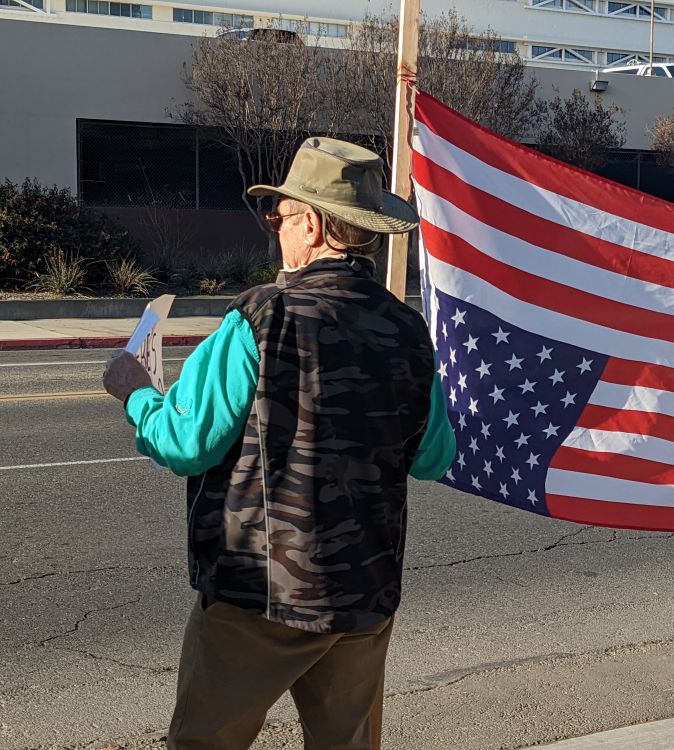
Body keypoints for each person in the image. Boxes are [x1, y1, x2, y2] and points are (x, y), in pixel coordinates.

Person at [102, 137, 456, 750]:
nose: (276, 226)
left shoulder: (261, 317)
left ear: (312, 225)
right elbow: (434, 457)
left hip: (259, 593)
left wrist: (135, 394)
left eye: (281, 215)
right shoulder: (408, 329)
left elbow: (186, 443)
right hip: (363, 593)